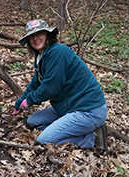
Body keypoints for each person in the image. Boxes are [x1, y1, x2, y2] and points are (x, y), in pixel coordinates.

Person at [13, 19, 108, 152]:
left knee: (43, 141)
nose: (36, 38)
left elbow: (50, 88)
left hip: (89, 110)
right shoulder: (41, 56)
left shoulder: (58, 52)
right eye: (32, 36)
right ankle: (74, 130)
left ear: (47, 34)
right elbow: (36, 83)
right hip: (67, 107)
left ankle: (91, 138)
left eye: (39, 33)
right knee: (32, 122)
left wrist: (30, 100)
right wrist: (19, 103)